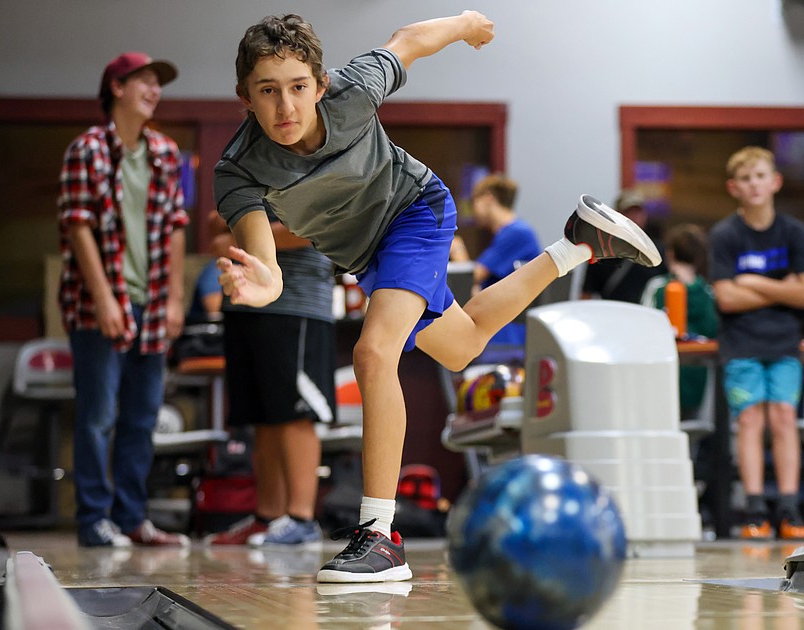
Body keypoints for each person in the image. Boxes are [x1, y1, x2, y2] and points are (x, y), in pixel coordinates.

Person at [214, 13, 659, 582]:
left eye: (299, 87)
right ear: (244, 98)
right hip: (368, 255)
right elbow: (268, 262)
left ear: (320, 85)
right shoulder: (237, 171)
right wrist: (264, 284)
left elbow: (409, 41)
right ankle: (578, 245)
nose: (287, 107)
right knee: (461, 345)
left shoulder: (351, 93)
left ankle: (380, 536)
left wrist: (467, 23)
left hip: (414, 211)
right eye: (268, 92)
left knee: (374, 353)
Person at [58, 51, 191, 547]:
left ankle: (133, 518)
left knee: (142, 416)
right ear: (116, 87)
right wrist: (105, 299)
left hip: (153, 304)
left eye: (159, 83)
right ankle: (94, 520)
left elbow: (177, 228)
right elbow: (77, 226)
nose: (154, 91)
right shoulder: (86, 150)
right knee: (98, 416)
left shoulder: (164, 152)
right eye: (145, 81)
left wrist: (176, 298)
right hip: (99, 305)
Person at [203, 208, 336, 548]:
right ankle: (268, 517)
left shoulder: (317, 163)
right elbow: (215, 222)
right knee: (263, 416)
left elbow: (315, 225)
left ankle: (302, 519)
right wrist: (234, 231)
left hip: (297, 305)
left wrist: (239, 237)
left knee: (296, 414)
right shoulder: (249, 165)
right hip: (243, 305)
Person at [709, 146, 804, 541]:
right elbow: (725, 298)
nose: (754, 185)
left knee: (784, 419)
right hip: (741, 344)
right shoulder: (724, 235)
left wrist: (753, 284)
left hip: (785, 343)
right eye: (745, 179)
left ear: (775, 182)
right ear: (733, 187)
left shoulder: (793, 233)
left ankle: (790, 507)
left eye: (760, 177)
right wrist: (783, 288)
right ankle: (755, 509)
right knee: (751, 419)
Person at [648, 223, 719, 417]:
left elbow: (645, 329)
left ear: (670, 254)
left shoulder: (659, 288)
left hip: (662, 375)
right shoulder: (709, 293)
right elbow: (714, 330)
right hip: (700, 378)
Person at [469, 173, 542, 345]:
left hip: (507, 336)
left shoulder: (517, 233)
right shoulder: (510, 233)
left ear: (488, 198)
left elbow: (473, 276)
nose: (473, 209)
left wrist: (457, 251)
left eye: (475, 201)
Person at [582, 189, 667, 302]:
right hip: (612, 314)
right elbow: (586, 294)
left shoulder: (657, 250)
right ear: (617, 215)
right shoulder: (602, 252)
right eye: (629, 212)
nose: (635, 217)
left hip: (646, 315)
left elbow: (667, 287)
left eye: (639, 212)